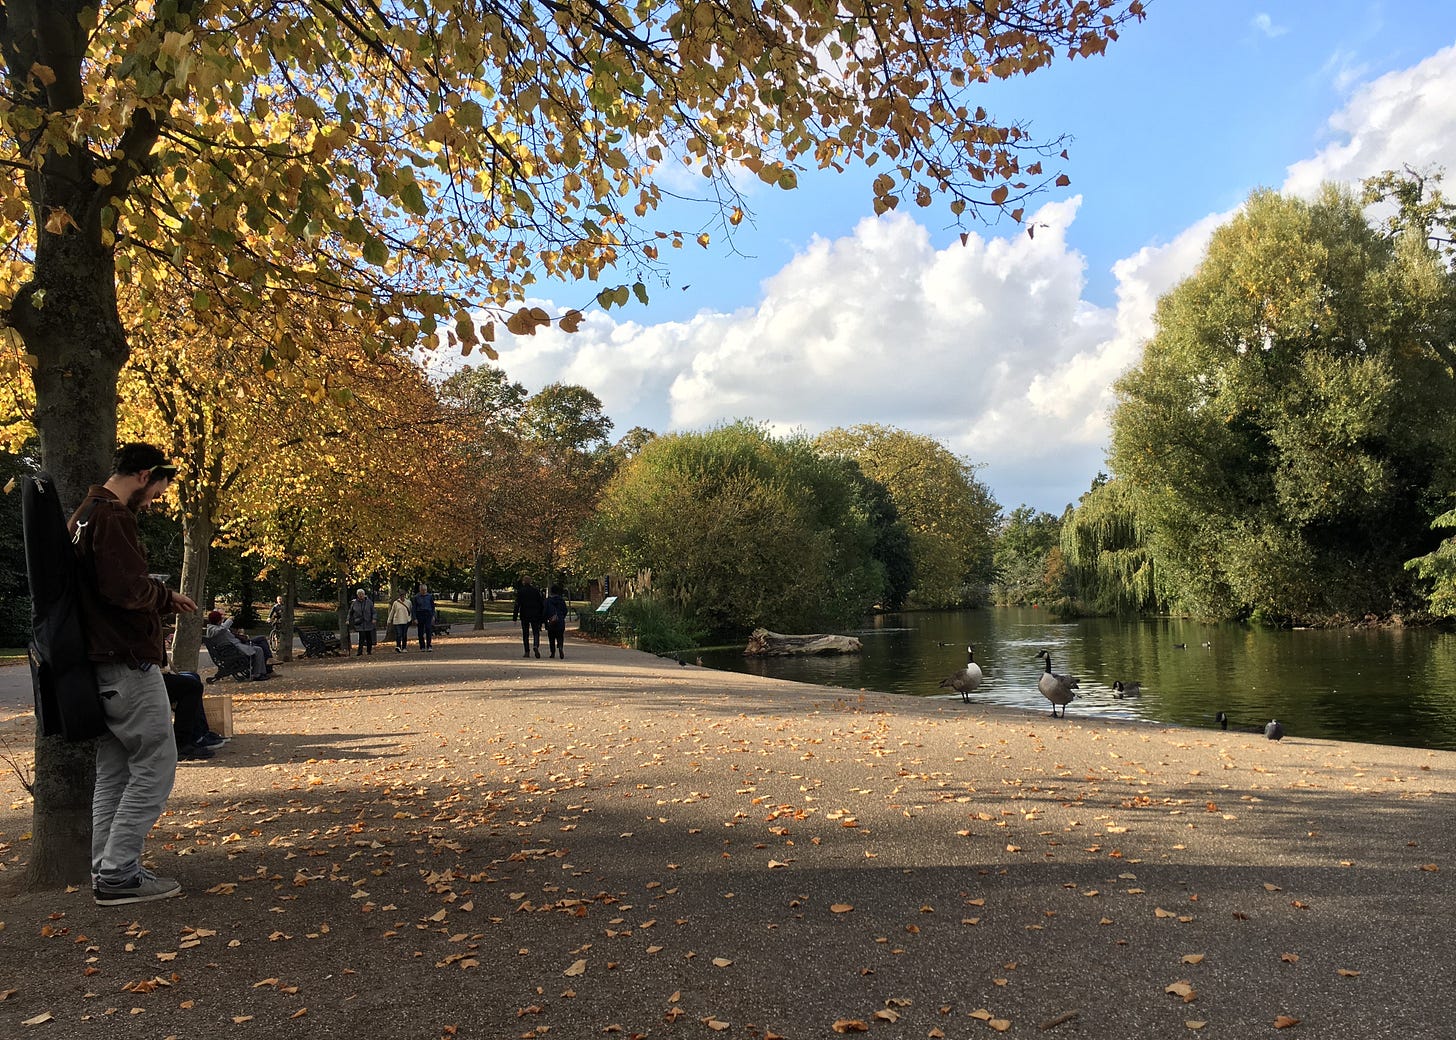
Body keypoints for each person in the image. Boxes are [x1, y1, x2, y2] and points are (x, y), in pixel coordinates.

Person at [71, 442, 197, 905]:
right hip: (126, 661)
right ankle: (119, 872)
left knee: (116, 770)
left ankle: (106, 868)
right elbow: (123, 589)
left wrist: (161, 595)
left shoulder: (84, 515)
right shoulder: (114, 516)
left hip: (99, 665)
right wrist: (164, 597)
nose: (157, 499)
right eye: (159, 488)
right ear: (145, 475)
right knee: (157, 764)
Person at [204, 609, 272, 679]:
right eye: (220, 618)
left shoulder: (215, 627)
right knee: (258, 649)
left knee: (259, 646)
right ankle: (258, 674)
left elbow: (224, 631)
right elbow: (222, 630)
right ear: (217, 620)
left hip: (234, 648)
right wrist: (229, 620)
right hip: (232, 650)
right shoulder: (212, 629)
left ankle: (262, 672)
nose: (222, 619)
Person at [513, 577, 546, 658]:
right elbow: (541, 604)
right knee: (536, 632)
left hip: (524, 614)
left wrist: (515, 616)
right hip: (535, 614)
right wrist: (542, 615)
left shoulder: (521, 591)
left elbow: (517, 604)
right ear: (531, 582)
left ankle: (527, 651)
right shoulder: (535, 591)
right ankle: (535, 645)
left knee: (525, 633)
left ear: (524, 582)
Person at [348, 588, 377, 656]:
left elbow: (374, 612)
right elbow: (350, 612)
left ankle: (369, 651)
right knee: (361, 637)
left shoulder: (369, 602)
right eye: (359, 594)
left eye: (362, 594)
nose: (361, 595)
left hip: (368, 622)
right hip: (360, 622)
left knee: (369, 637)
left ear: (364, 595)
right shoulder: (354, 603)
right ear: (357, 595)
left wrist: (374, 618)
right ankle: (360, 651)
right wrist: (348, 620)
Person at [543, 585, 569, 659]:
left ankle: (553, 652)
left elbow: (545, 611)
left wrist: (544, 620)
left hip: (551, 621)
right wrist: (562, 617)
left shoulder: (548, 601)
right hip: (560, 621)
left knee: (551, 637)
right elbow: (565, 610)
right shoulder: (561, 600)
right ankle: (560, 646)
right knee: (560, 636)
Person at [412, 582, 436, 652]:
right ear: (420, 590)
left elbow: (432, 606)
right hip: (420, 614)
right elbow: (414, 608)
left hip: (428, 614)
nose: (424, 591)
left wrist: (433, 615)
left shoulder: (429, 596)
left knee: (428, 630)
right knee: (420, 631)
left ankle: (429, 645)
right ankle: (422, 646)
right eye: (422, 590)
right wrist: (415, 618)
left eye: (425, 590)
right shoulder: (416, 597)